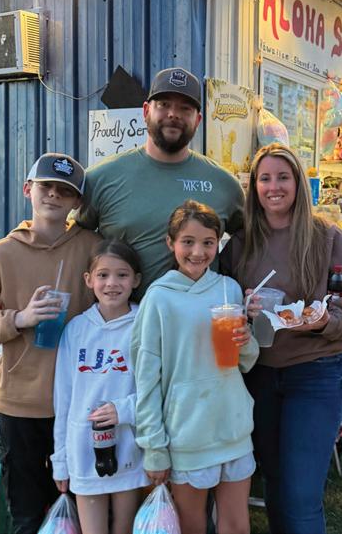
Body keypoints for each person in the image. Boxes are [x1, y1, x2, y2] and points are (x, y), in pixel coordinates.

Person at [220, 144, 342, 534]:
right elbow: (219, 300)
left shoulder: (327, 236)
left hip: (315, 373)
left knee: (301, 496)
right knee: (275, 485)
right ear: (254, 187)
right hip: (258, 376)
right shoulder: (241, 243)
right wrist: (240, 308)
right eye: (264, 179)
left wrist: (327, 320)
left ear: (298, 184)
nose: (273, 187)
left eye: (283, 177)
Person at [0, 153, 101, 534]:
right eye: (46, 186)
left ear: (77, 202)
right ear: (27, 189)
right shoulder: (1, 253)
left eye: (65, 191)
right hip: (22, 404)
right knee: (28, 515)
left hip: (82, 402)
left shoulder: (94, 248)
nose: (54, 195)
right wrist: (19, 319)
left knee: (83, 513)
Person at [132, 200, 259, 534]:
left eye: (208, 243)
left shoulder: (228, 289)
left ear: (218, 244)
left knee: (236, 524)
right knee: (192, 525)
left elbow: (246, 362)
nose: (198, 252)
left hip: (233, 427)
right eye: (187, 241)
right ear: (170, 243)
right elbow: (146, 379)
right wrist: (154, 448)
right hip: (187, 435)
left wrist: (246, 340)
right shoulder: (158, 298)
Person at [76, 67, 245, 299]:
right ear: (146, 111)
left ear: (198, 120)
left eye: (185, 108)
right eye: (164, 104)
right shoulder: (100, 178)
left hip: (201, 317)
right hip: (126, 319)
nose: (173, 114)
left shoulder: (225, 185)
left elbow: (256, 240)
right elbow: (69, 239)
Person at [51, 239, 150, 534]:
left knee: (124, 528)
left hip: (129, 447)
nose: (112, 283)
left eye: (122, 275)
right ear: (89, 279)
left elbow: (156, 389)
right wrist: (61, 460)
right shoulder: (76, 329)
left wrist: (124, 410)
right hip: (83, 448)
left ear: (136, 280)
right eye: (103, 275)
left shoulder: (144, 325)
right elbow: (63, 399)